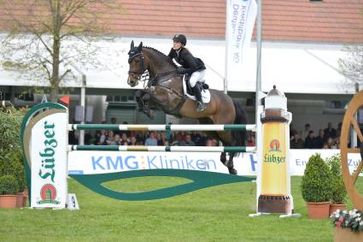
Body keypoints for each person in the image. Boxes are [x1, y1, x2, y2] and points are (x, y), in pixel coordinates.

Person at [168, 34, 207, 112]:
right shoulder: (173, 50)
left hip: (199, 70)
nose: (174, 44)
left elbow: (194, 67)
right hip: (189, 68)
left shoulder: (185, 53)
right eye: (174, 42)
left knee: (192, 82)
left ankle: (200, 102)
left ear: (182, 44)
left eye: (177, 42)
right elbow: (168, 59)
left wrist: (183, 70)